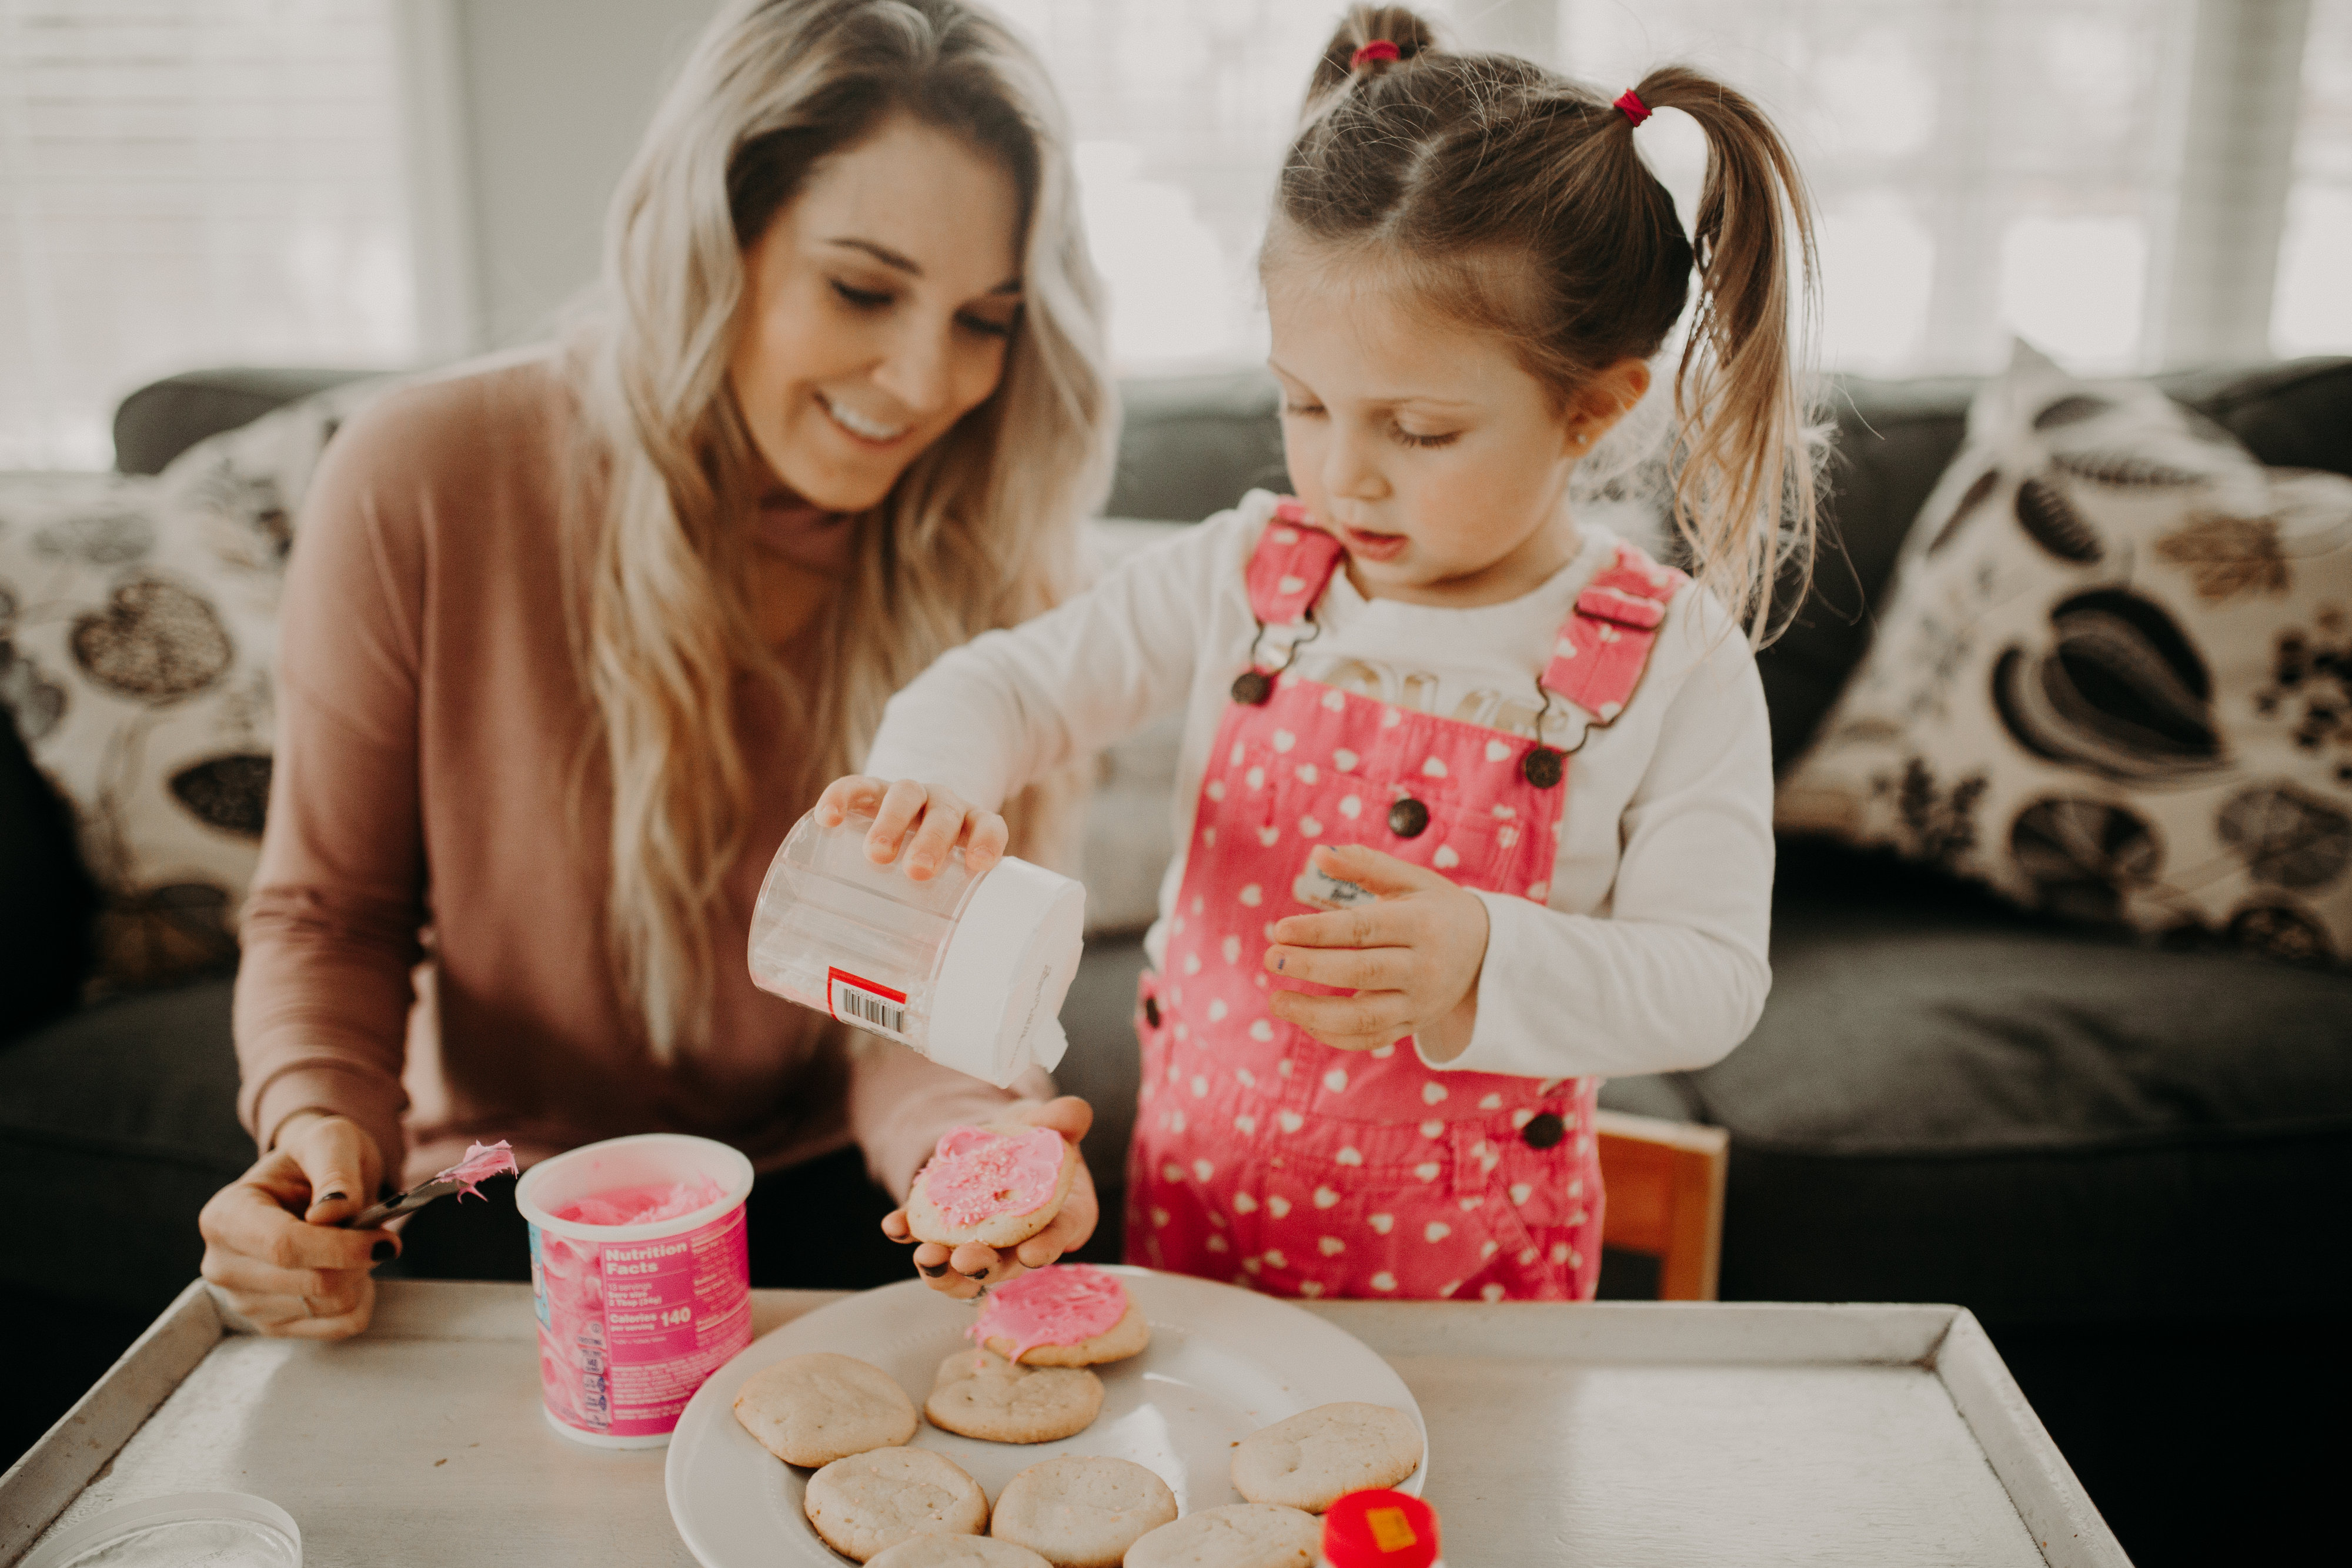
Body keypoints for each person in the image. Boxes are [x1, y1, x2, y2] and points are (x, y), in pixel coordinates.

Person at [843, 4, 1819, 1302]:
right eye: (1302, 403)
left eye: (1416, 429)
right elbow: (1005, 683)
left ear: (1591, 406)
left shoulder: (1671, 658)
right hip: (1199, 1246)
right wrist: (937, 776)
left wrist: (1483, 951)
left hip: (1479, 1290)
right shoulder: (1247, 571)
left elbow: (1707, 983)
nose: (1340, 473)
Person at [195, 0, 1116, 1339]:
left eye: (985, 318)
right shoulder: (423, 477)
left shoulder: (986, 545)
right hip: (502, 1182)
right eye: (862, 288)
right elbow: (331, 912)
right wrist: (316, 1123)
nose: (925, 380)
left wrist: (970, 1154)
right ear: (709, 245)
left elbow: (923, 1016)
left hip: (821, 1192)